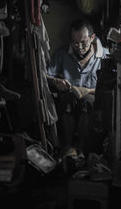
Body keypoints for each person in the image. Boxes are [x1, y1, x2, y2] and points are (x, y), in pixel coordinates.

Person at [47, 19, 109, 158]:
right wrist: (56, 81)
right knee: (68, 100)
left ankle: (82, 149)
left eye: (83, 42)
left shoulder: (104, 55)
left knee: (87, 102)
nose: (79, 46)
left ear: (92, 38)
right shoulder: (62, 53)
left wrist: (88, 91)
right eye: (75, 42)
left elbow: (110, 86)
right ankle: (68, 148)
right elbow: (46, 76)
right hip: (69, 98)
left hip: (92, 99)